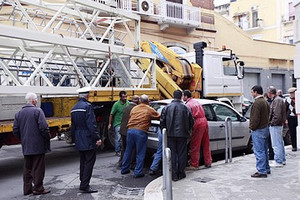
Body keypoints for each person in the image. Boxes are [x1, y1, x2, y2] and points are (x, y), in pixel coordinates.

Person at [13, 92, 51, 195]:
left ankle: (27, 189)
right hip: (38, 144)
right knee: (38, 167)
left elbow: (15, 130)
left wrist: (23, 138)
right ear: (34, 101)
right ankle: (38, 188)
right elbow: (44, 127)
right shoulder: (38, 111)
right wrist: (47, 137)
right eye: (36, 100)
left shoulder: (18, 114)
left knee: (27, 168)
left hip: (26, 145)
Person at [71, 89, 102, 193]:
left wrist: (74, 139)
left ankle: (82, 181)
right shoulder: (87, 107)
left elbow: (73, 127)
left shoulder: (74, 108)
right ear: (87, 96)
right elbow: (91, 125)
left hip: (79, 137)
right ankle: (85, 185)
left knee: (83, 161)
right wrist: (97, 138)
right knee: (89, 162)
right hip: (87, 138)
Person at [121, 94, 160, 178]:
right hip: (140, 131)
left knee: (128, 150)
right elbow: (158, 116)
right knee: (140, 152)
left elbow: (130, 116)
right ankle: (138, 172)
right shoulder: (149, 109)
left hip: (130, 130)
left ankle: (124, 169)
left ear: (140, 101)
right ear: (148, 101)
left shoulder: (134, 108)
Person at [160, 90, 194, 181]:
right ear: (181, 96)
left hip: (170, 134)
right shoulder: (186, 108)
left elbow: (162, 121)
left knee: (172, 154)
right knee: (182, 154)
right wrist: (188, 130)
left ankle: (174, 174)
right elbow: (191, 121)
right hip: (182, 134)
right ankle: (181, 172)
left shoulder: (167, 108)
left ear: (173, 96)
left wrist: (164, 131)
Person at [183, 90, 212, 169]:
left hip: (197, 122)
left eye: (183, 96)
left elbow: (188, 118)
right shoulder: (196, 102)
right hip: (204, 121)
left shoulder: (188, 105)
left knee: (195, 144)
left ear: (186, 96)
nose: (182, 97)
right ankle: (208, 162)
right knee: (206, 143)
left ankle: (194, 164)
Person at [249, 85, 271, 178]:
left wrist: (252, 127)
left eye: (252, 92)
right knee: (265, 150)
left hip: (259, 129)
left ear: (255, 92)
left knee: (259, 150)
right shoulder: (265, 102)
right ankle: (266, 168)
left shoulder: (257, 103)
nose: (251, 93)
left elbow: (255, 118)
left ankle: (261, 171)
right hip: (265, 127)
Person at [118, 95, 140, 167]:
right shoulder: (136, 109)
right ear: (137, 101)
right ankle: (132, 164)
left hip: (122, 130)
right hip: (130, 130)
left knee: (124, 148)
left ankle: (121, 161)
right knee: (132, 148)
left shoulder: (125, 107)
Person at [267, 86, 286, 167]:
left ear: (270, 93)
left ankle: (278, 160)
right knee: (280, 142)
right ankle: (282, 159)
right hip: (278, 124)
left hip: (275, 124)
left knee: (276, 143)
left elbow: (276, 114)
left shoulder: (276, 100)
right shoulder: (278, 100)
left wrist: (272, 122)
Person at [108, 91, 129, 156]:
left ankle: (124, 150)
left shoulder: (128, 103)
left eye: (126, 96)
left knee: (126, 137)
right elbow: (111, 114)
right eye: (123, 97)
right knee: (118, 137)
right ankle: (117, 151)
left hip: (126, 123)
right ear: (120, 97)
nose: (125, 98)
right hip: (118, 123)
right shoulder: (116, 104)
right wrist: (109, 124)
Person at [286, 87, 298, 151]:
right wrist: (286, 119)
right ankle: (294, 146)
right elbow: (285, 109)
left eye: (292, 93)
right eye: (290, 93)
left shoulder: (298, 99)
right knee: (292, 132)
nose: (291, 94)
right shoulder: (287, 100)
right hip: (290, 117)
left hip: (297, 117)